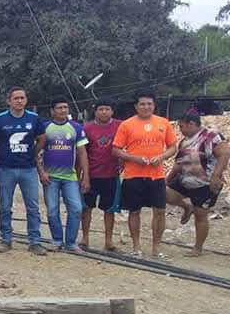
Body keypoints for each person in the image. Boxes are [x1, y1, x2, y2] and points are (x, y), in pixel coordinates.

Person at [112, 91, 177, 257]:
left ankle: (156, 247)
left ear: (154, 105)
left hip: (156, 175)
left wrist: (161, 157)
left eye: (149, 104)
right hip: (133, 175)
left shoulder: (163, 123)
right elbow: (116, 150)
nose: (146, 107)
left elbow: (172, 147)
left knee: (160, 211)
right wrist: (134, 158)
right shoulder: (126, 125)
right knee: (134, 211)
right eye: (142, 104)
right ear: (136, 106)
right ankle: (136, 247)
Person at [0, 87, 47, 256]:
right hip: (6, 169)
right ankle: (6, 240)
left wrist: (33, 154)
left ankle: (35, 241)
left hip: (28, 168)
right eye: (16, 98)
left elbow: (42, 139)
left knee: (33, 207)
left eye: (22, 98)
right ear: (9, 101)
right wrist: (1, 157)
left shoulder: (34, 118)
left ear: (26, 100)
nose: (19, 101)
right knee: (5, 206)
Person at [166, 110, 230, 257]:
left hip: (205, 182)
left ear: (192, 124)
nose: (180, 130)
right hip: (185, 178)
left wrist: (216, 176)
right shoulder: (184, 142)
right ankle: (186, 207)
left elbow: (224, 154)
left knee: (200, 214)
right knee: (164, 193)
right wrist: (168, 179)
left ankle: (198, 248)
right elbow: (178, 164)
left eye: (182, 126)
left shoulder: (211, 136)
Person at [36, 98, 90, 253]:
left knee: (76, 208)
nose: (63, 110)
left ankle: (71, 243)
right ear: (52, 111)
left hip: (70, 177)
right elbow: (36, 152)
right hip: (50, 177)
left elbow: (82, 153)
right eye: (59, 108)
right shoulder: (45, 127)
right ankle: (57, 240)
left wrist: (85, 177)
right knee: (52, 210)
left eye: (65, 107)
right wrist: (41, 172)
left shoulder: (76, 127)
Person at [80, 101, 122, 251]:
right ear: (95, 111)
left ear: (112, 111)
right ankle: (85, 238)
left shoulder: (120, 126)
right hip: (91, 174)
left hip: (111, 174)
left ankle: (108, 241)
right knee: (86, 208)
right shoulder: (87, 128)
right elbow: (82, 153)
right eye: (101, 109)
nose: (104, 112)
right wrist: (83, 176)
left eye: (107, 109)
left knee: (109, 210)